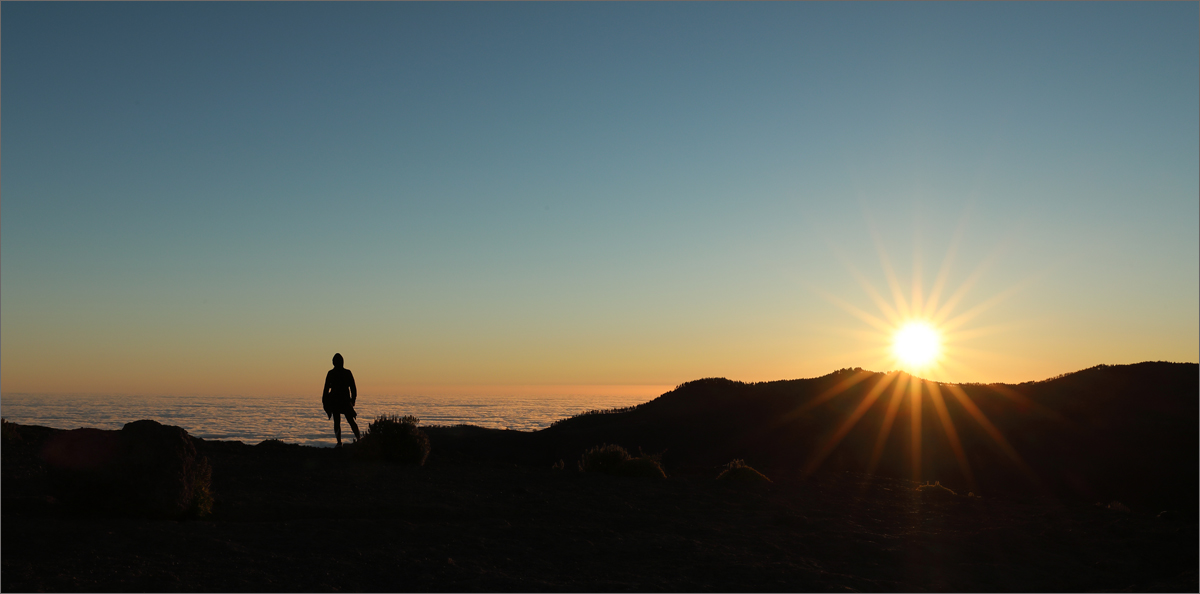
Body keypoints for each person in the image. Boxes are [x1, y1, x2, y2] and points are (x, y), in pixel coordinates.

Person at [322, 353, 360, 447]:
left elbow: (326, 390)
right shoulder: (346, 373)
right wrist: (352, 400)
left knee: (341, 421)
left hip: (339, 401)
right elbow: (353, 388)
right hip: (342, 400)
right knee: (348, 421)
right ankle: (356, 440)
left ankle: (341, 442)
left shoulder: (332, 373)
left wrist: (325, 402)